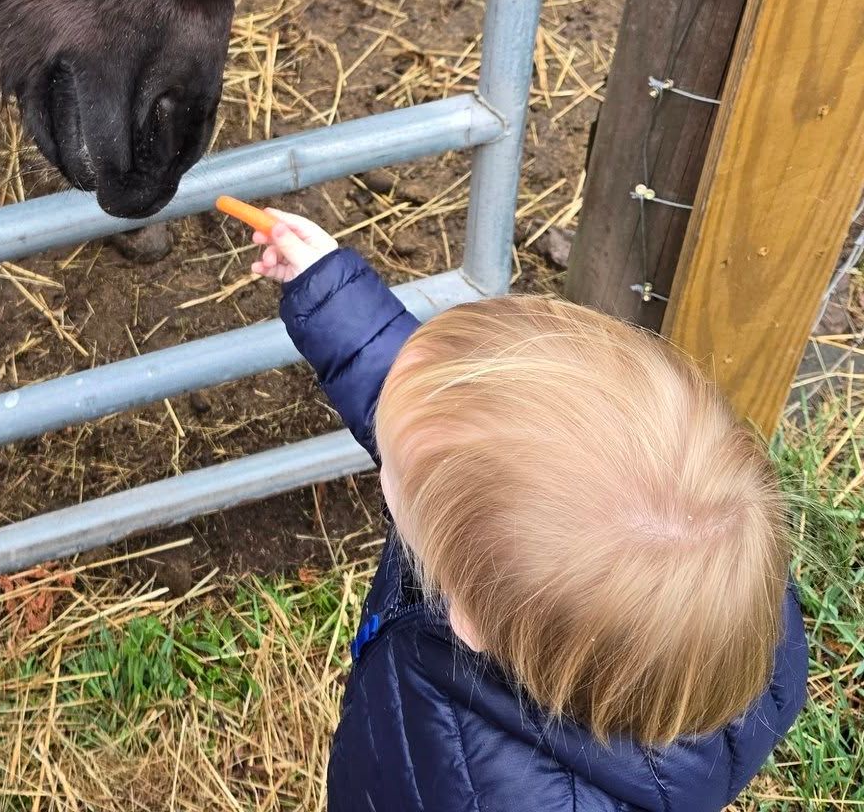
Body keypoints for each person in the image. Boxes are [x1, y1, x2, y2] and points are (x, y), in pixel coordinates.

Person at [248, 211, 807, 812]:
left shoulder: (479, 791)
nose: (385, 465)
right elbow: (444, 425)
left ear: (468, 620)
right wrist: (330, 291)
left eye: (393, 478)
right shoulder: (719, 608)